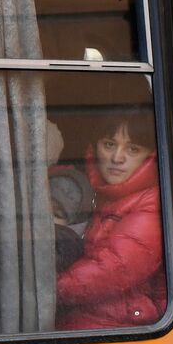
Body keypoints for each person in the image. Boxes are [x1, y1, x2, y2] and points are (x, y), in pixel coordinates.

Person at [56, 101, 166, 331]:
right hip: (93, 317)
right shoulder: (104, 195)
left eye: (133, 149)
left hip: (122, 325)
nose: (117, 157)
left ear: (151, 157)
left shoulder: (152, 205)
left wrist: (50, 290)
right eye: (109, 144)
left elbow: (113, 268)